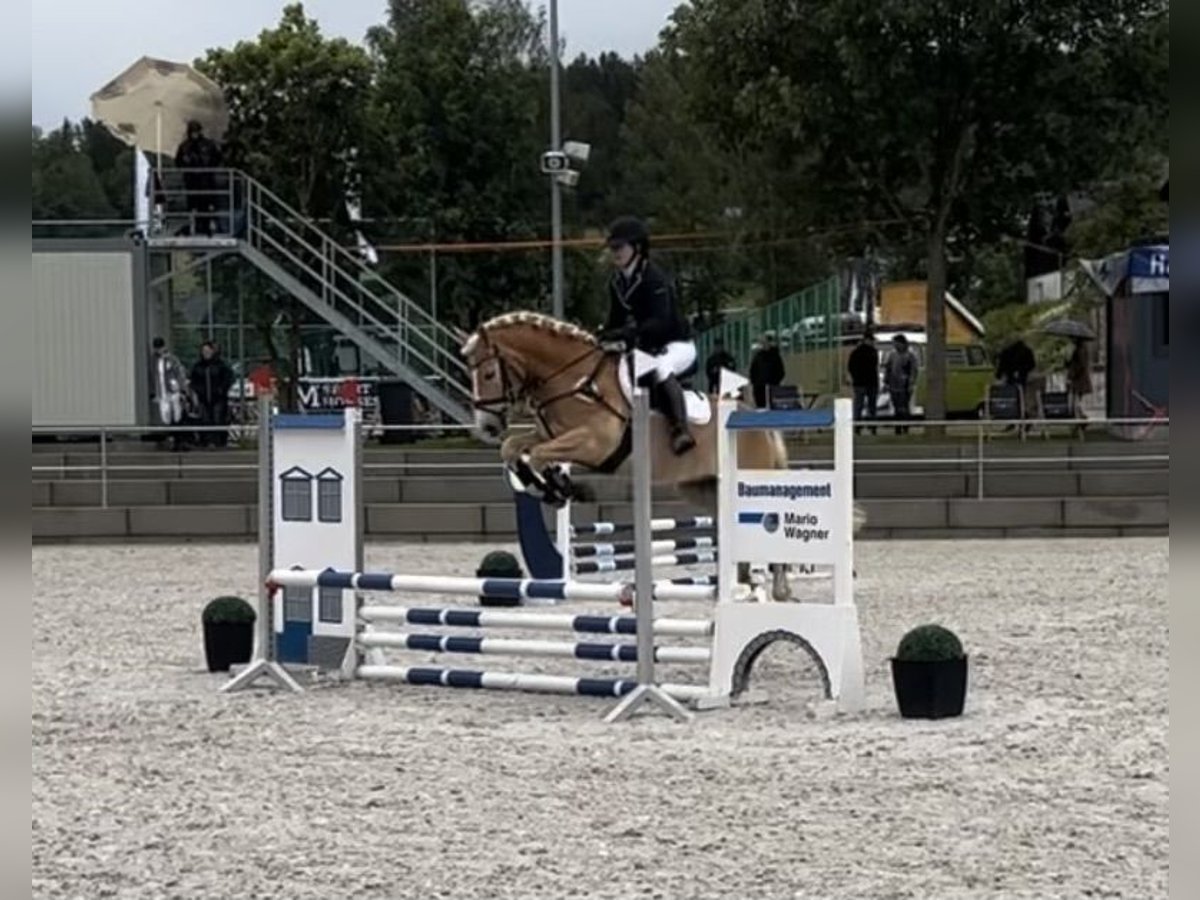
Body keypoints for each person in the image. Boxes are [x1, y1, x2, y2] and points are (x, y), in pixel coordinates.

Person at [598, 216, 697, 455]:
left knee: (661, 368)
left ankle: (680, 430)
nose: (615, 253)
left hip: (677, 345)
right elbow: (616, 320)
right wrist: (600, 336)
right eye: (612, 248)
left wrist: (628, 333)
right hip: (646, 348)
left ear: (637, 248)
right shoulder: (617, 282)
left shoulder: (655, 279)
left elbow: (660, 322)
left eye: (619, 247)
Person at [174, 120, 223, 235]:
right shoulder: (184, 146)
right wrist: (186, 164)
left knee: (206, 205)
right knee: (193, 205)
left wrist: (209, 168)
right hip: (192, 181)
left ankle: (207, 228)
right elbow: (178, 162)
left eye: (196, 131)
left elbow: (217, 158)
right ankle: (195, 227)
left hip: (206, 181)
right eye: (193, 131)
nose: (194, 134)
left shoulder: (208, 144)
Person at [189, 341, 234, 448]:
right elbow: (193, 381)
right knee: (204, 419)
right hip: (203, 398)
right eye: (204, 351)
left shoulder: (221, 366)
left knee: (218, 419)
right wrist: (198, 391)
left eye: (208, 351)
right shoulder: (198, 366)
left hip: (218, 398)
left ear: (213, 351)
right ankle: (206, 441)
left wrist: (221, 390)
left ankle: (219, 441)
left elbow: (228, 379)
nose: (206, 353)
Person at [151, 337, 189, 451]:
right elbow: (153, 377)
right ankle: (172, 439)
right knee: (166, 417)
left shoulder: (171, 359)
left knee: (176, 416)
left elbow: (179, 373)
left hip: (173, 392)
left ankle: (178, 441)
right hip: (162, 393)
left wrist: (182, 389)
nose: (159, 350)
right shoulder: (154, 360)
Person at [883, 334, 918, 434]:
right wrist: (886, 382)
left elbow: (913, 371)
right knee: (896, 406)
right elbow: (888, 369)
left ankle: (905, 426)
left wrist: (911, 383)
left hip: (905, 385)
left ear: (902, 343)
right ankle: (897, 426)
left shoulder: (910, 355)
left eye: (896, 343)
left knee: (903, 407)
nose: (895, 345)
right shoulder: (892, 355)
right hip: (894, 385)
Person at [847, 329, 880, 434]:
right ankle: (872, 427)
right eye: (871, 340)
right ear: (866, 340)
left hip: (859, 382)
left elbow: (850, 367)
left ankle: (857, 427)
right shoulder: (873, 352)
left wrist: (855, 377)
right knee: (871, 406)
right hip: (871, 382)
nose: (872, 342)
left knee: (859, 405)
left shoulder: (856, 352)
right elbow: (875, 366)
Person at [748, 332, 785, 408]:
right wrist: (754, 382)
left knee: (772, 405)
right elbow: (753, 370)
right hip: (759, 387)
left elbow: (780, 371)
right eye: (762, 343)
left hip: (772, 386)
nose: (764, 344)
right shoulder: (758, 356)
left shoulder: (775, 356)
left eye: (765, 342)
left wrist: (774, 381)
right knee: (760, 406)